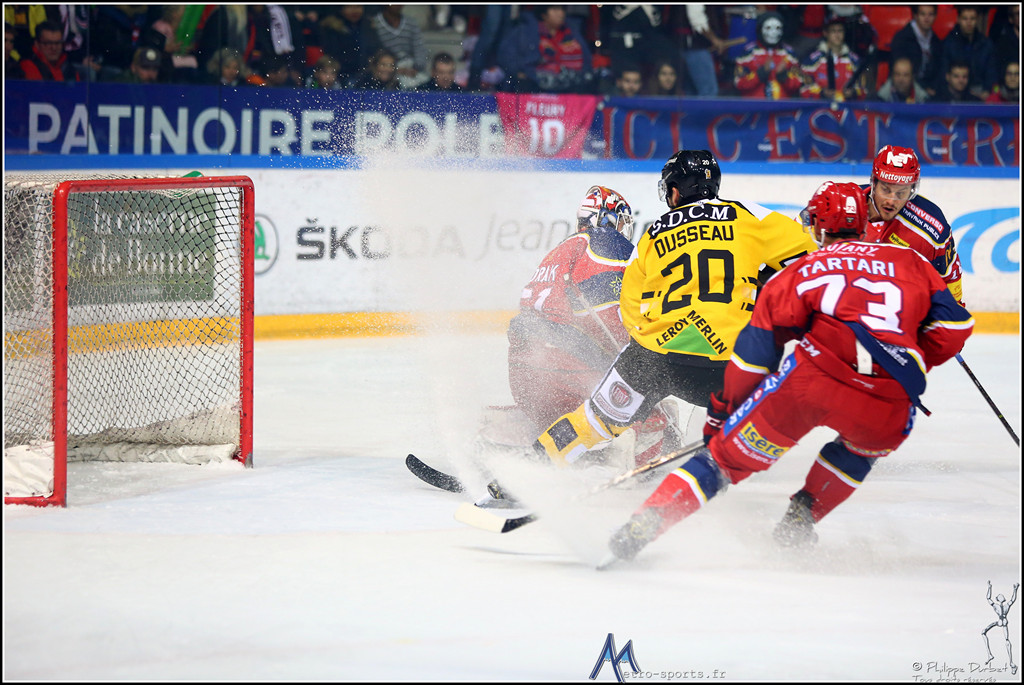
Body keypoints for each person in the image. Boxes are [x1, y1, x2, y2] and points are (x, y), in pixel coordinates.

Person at [603, 181, 974, 564]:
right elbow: (955, 328)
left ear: (819, 226)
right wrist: (906, 358)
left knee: (722, 462)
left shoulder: (802, 270)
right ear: (864, 221)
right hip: (889, 402)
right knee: (859, 451)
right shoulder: (912, 262)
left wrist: (721, 417)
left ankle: (647, 521)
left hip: (809, 386)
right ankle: (801, 517)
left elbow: (752, 358)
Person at [530, 150, 817, 469]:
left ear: (676, 191)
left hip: (658, 359)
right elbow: (811, 256)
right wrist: (762, 283)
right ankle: (739, 439)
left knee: (594, 420)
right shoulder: (748, 216)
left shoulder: (653, 234)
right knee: (775, 392)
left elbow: (630, 310)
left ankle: (529, 467)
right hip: (731, 366)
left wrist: (646, 349)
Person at [769, 144, 967, 545]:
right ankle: (740, 449)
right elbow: (793, 251)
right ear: (872, 181)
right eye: (885, 189)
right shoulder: (840, 205)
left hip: (885, 337)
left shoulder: (931, 228)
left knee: (870, 426)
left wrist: (937, 321)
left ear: (913, 189)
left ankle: (803, 511)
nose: (892, 199)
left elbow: (950, 289)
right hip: (832, 324)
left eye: (902, 191)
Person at [495, 186, 672, 470]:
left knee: (564, 416)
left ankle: (503, 437)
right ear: (608, 217)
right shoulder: (607, 242)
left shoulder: (561, 249)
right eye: (622, 221)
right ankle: (632, 465)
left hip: (523, 372)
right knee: (647, 408)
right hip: (567, 368)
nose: (623, 230)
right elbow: (611, 312)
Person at [497, 5, 594, 94]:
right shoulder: (525, 31)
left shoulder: (572, 32)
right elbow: (506, 55)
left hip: (571, 88)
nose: (560, 13)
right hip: (534, 87)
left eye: (562, 10)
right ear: (543, 14)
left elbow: (587, 61)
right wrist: (520, 73)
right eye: (555, 9)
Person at [733, 11, 804, 99]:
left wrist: (783, 76)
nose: (773, 32)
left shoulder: (789, 54)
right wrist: (761, 73)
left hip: (782, 106)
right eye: (768, 28)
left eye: (778, 28)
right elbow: (739, 83)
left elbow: (799, 84)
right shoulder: (748, 53)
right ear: (760, 29)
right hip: (755, 105)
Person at [940, 5, 998, 101]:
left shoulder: (986, 43)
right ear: (958, 19)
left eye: (972, 18)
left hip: (980, 90)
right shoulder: (948, 43)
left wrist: (987, 91)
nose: (969, 22)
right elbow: (944, 72)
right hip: (955, 91)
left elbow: (991, 72)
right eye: (965, 19)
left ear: (977, 20)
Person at [800, 16, 864, 101]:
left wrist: (853, 93)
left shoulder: (854, 60)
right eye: (833, 31)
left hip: (846, 107)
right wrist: (822, 92)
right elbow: (803, 88)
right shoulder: (812, 60)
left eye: (840, 31)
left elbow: (864, 89)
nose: (837, 35)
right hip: (821, 107)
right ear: (825, 33)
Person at [318, 5, 383, 87]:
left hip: (365, 73)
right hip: (339, 74)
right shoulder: (332, 27)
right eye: (349, 7)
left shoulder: (368, 26)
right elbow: (330, 53)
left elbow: (376, 49)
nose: (355, 11)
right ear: (341, 9)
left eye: (358, 6)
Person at [370, 5, 428, 89]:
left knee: (425, 84)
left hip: (411, 68)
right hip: (387, 68)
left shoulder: (411, 23)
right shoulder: (374, 23)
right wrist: (395, 69)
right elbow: (375, 54)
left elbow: (419, 50)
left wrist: (416, 68)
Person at [890, 5, 943, 97]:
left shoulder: (936, 42)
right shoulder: (902, 38)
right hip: (905, 86)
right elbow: (899, 71)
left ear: (935, 16)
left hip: (929, 88)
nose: (926, 19)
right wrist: (923, 89)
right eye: (923, 14)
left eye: (930, 14)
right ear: (915, 15)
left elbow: (938, 71)